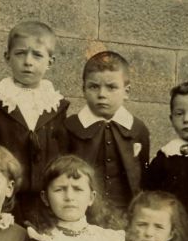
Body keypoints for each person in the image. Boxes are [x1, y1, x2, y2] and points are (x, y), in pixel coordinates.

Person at [0, 20, 69, 224]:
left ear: (50, 62)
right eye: (20, 53)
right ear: (7, 57)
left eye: (37, 55)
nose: (28, 61)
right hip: (3, 200)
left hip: (45, 203)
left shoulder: (56, 106)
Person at [64, 51, 150, 231]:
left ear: (126, 92)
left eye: (111, 87)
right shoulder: (70, 127)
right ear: (83, 89)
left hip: (125, 216)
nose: (102, 94)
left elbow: (142, 176)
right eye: (94, 87)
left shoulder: (138, 129)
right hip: (83, 215)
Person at [143, 80, 188, 241]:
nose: (187, 119)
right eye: (179, 113)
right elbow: (149, 191)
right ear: (171, 118)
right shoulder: (167, 155)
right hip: (174, 231)